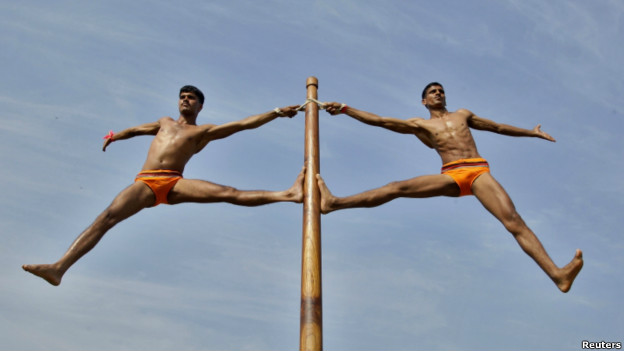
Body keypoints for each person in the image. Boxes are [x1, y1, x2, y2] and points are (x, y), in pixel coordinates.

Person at [23, 85, 305, 286]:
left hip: (174, 181)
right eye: (182, 97)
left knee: (229, 193)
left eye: (191, 98)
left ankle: (289, 194)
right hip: (146, 182)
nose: (185, 100)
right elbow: (137, 130)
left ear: (200, 105)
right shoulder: (164, 122)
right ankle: (59, 268)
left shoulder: (202, 132)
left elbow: (243, 124)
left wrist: (277, 112)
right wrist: (116, 136)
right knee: (106, 219)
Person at [317, 82, 583, 292]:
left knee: (514, 222)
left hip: (478, 172)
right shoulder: (420, 124)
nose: (438, 93)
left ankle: (557, 275)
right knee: (396, 187)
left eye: (441, 90)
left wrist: (531, 132)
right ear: (424, 100)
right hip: (451, 174)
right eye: (433, 91)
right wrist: (344, 108)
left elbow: (498, 127)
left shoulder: (462, 115)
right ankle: (333, 203)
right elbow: (380, 120)